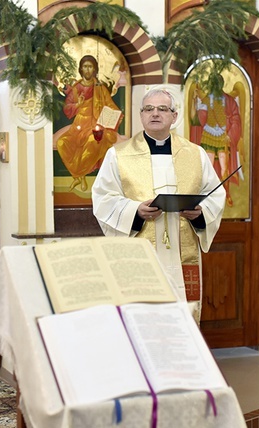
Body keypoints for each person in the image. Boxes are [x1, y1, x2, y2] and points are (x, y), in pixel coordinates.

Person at [92, 88, 225, 323]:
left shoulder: (196, 154)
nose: (155, 114)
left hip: (182, 247)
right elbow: (103, 197)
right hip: (140, 247)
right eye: (149, 109)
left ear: (174, 116)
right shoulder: (118, 154)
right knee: (143, 315)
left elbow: (215, 194)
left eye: (162, 109)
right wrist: (135, 211)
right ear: (141, 115)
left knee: (181, 313)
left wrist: (199, 214)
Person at [56, 55, 122, 192]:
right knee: (61, 143)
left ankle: (79, 175)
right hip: (78, 127)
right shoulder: (75, 88)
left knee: (92, 142)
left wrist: (108, 120)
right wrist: (77, 105)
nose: (87, 69)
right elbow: (67, 109)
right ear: (80, 69)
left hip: (96, 127)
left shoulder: (100, 88)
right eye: (85, 66)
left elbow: (112, 107)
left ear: (95, 69)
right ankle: (79, 175)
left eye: (90, 66)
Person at [191, 78, 242, 206]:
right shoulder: (208, 99)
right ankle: (208, 195)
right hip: (208, 135)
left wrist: (230, 135)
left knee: (224, 167)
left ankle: (225, 193)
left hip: (222, 137)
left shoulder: (229, 101)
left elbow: (236, 118)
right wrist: (195, 105)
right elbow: (199, 119)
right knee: (208, 167)